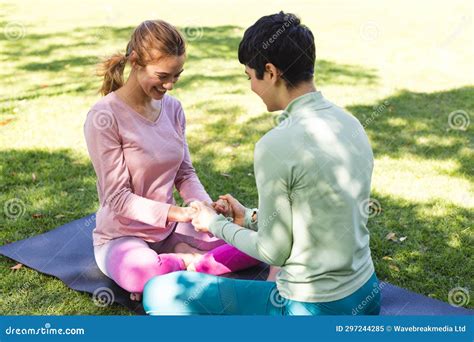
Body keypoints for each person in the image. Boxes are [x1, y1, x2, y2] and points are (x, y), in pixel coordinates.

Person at [142, 12, 381, 315]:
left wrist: (215, 224)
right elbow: (323, 212)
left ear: (270, 72)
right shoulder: (350, 124)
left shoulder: (274, 145)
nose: (252, 87)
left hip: (310, 309)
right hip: (367, 296)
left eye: (250, 77)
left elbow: (273, 252)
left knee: (158, 291)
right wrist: (251, 217)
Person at [83, 19, 260, 302]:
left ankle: (181, 266)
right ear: (135, 62)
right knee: (140, 272)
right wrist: (178, 213)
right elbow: (117, 198)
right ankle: (186, 265)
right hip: (121, 237)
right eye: (163, 75)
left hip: (172, 230)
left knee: (256, 245)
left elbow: (185, 173)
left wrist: (203, 207)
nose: (170, 85)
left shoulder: (173, 109)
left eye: (177, 76)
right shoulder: (104, 117)